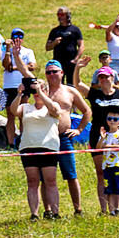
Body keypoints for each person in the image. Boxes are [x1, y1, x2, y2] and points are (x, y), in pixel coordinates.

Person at [14, 78, 71, 220]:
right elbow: (14, 111)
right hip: (28, 147)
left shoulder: (52, 105)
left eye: (40, 89)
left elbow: (55, 111)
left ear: (46, 91)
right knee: (32, 181)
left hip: (48, 147)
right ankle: (34, 213)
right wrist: (19, 94)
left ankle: (55, 212)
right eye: (34, 91)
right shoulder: (26, 107)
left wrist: (40, 91)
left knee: (50, 180)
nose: (37, 94)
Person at [39, 62, 90, 215]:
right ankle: (48, 210)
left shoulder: (70, 91)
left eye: (54, 71)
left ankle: (78, 209)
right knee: (45, 177)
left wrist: (79, 130)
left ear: (61, 73)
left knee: (71, 175)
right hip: (45, 139)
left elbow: (86, 111)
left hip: (64, 138)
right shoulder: (42, 91)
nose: (52, 75)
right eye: (48, 72)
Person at [86, 67, 119, 215]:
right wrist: (77, 67)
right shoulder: (94, 93)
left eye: (106, 77)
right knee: (101, 173)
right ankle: (104, 209)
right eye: (101, 77)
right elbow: (77, 84)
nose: (104, 79)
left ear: (112, 78)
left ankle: (118, 209)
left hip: (116, 137)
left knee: (116, 173)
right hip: (98, 135)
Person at [46, 7, 83, 80]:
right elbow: (47, 47)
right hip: (58, 63)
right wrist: (54, 43)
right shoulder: (55, 31)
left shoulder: (75, 30)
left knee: (72, 83)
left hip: (71, 62)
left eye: (62, 15)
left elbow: (81, 46)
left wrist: (76, 59)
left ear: (68, 15)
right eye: (58, 15)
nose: (60, 17)